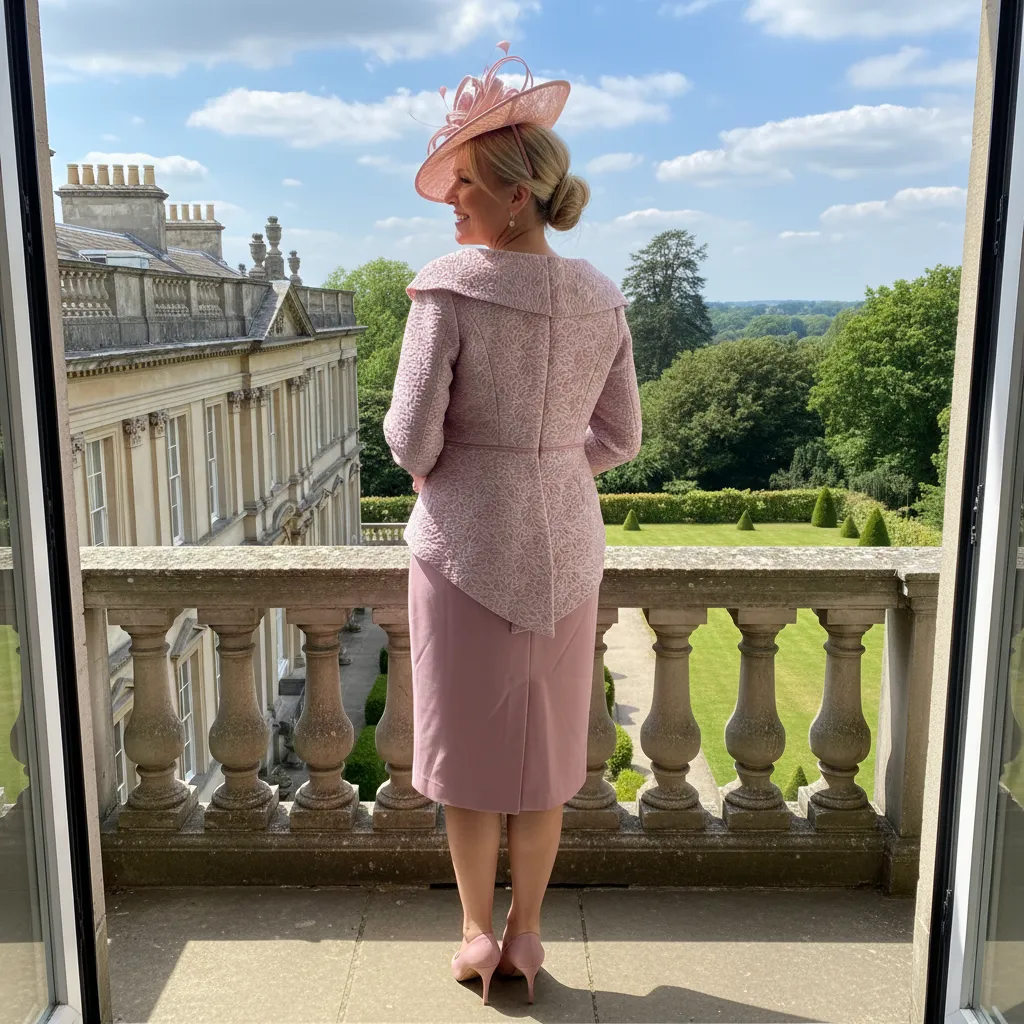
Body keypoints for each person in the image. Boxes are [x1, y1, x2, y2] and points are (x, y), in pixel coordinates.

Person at [382, 41, 642, 1007]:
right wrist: (548, 475)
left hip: (461, 550)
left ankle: (474, 934)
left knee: (471, 765)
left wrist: (465, 480)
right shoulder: (599, 295)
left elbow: (410, 434)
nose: (453, 201)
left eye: (466, 185)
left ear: (516, 195)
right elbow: (621, 433)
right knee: (543, 761)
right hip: (569, 545)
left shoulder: (449, 287)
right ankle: (527, 937)